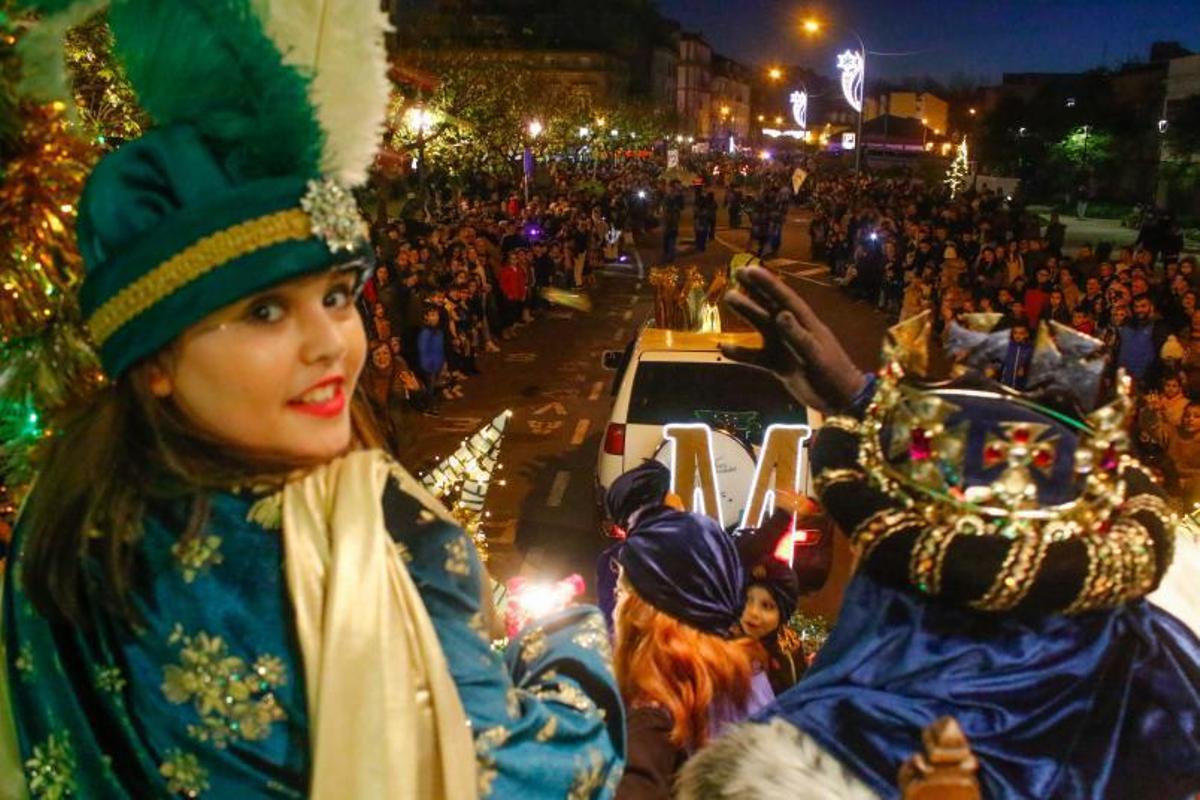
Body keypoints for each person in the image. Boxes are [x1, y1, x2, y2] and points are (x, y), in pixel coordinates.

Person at [1, 3, 624, 797]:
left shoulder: (58, 516)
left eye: (336, 295)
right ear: (152, 357)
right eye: (266, 310)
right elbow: (539, 778)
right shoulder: (373, 538)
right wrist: (565, 645)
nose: (332, 341)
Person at [679, 266, 1200, 799]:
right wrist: (863, 400)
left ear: (898, 597)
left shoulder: (807, 770)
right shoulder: (1162, 701)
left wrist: (868, 412)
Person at [613, 509, 769, 799]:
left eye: (621, 591)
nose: (616, 606)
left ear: (644, 614)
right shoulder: (742, 683)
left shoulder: (654, 718)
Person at [735, 512, 806, 697]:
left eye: (767, 606)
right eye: (747, 600)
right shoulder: (725, 646)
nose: (753, 613)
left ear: (783, 613)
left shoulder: (788, 652)